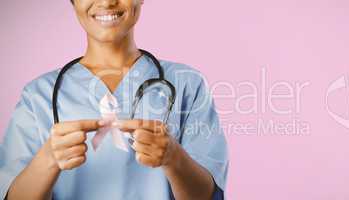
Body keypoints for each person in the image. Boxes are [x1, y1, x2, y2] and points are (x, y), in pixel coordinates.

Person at [0, 0, 228, 199]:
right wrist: (48, 158)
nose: (107, 2)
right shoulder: (39, 95)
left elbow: (207, 196)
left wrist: (174, 158)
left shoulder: (187, 84)